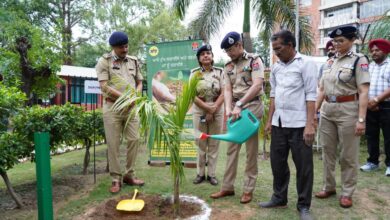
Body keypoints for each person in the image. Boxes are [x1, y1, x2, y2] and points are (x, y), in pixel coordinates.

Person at [258, 30, 317, 220]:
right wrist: (269, 121)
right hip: (279, 124)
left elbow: (311, 95)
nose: (276, 52)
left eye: (279, 48)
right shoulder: (276, 67)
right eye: (274, 49)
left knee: (304, 167)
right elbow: (274, 94)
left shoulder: (306, 63)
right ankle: (279, 198)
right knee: (278, 164)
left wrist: (310, 125)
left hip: (299, 125)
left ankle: (303, 206)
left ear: (290, 45)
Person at [314, 26, 370, 208]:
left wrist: (361, 120)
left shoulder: (359, 60)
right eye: (334, 41)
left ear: (352, 40)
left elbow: (363, 91)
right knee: (327, 152)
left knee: (347, 155)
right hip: (328, 110)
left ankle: (347, 192)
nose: (336, 44)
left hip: (348, 110)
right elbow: (321, 89)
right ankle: (328, 186)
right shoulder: (329, 62)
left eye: (341, 41)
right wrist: (314, 112)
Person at [210, 32, 264, 204]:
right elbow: (227, 89)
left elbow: (257, 85)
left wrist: (240, 104)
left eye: (231, 50)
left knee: (251, 151)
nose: (229, 54)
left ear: (240, 45)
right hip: (234, 109)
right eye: (227, 51)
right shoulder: (228, 66)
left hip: (251, 107)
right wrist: (228, 109)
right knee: (232, 149)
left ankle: (248, 190)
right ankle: (227, 187)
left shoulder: (254, 60)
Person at [96, 31, 144, 193]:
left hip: (131, 108)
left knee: (135, 139)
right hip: (112, 108)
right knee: (113, 144)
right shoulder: (104, 62)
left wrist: (136, 95)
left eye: (126, 46)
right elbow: (104, 86)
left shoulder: (134, 61)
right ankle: (116, 179)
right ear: (113, 47)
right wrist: (125, 98)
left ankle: (129, 175)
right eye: (121, 47)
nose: (125, 49)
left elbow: (139, 81)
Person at [191, 44, 224, 186]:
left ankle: (211, 174)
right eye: (202, 54)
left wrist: (214, 108)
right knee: (200, 143)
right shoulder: (194, 73)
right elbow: (192, 94)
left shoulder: (220, 72)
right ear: (199, 58)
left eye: (208, 53)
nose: (206, 55)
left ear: (212, 57)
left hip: (217, 111)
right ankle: (200, 174)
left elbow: (224, 92)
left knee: (214, 143)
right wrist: (206, 108)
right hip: (199, 111)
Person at [360, 38, 390, 176]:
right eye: (372, 51)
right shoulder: (368, 66)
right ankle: (372, 162)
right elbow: (362, 85)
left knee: (389, 136)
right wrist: (370, 103)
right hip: (370, 105)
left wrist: (377, 100)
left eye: (377, 50)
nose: (374, 53)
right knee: (371, 135)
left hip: (387, 106)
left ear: (385, 50)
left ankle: (389, 164)